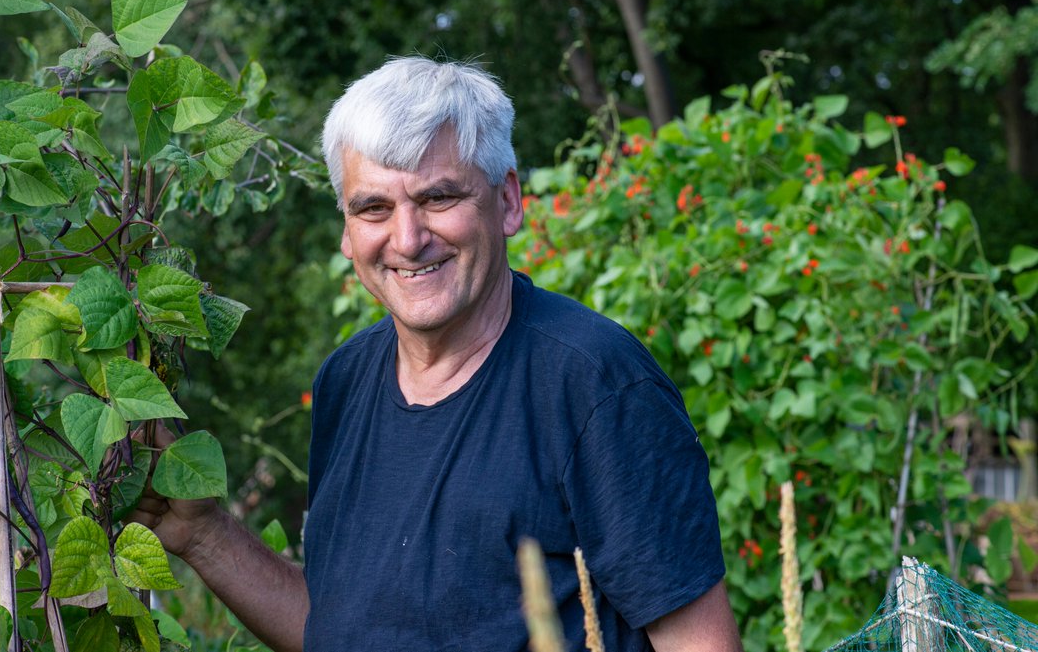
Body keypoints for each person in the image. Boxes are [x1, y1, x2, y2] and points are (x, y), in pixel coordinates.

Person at [131, 57, 743, 652]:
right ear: (347, 229)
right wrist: (206, 535)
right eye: (374, 207)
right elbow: (345, 629)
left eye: (438, 198)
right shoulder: (345, 383)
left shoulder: (595, 386)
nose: (408, 238)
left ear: (506, 202)